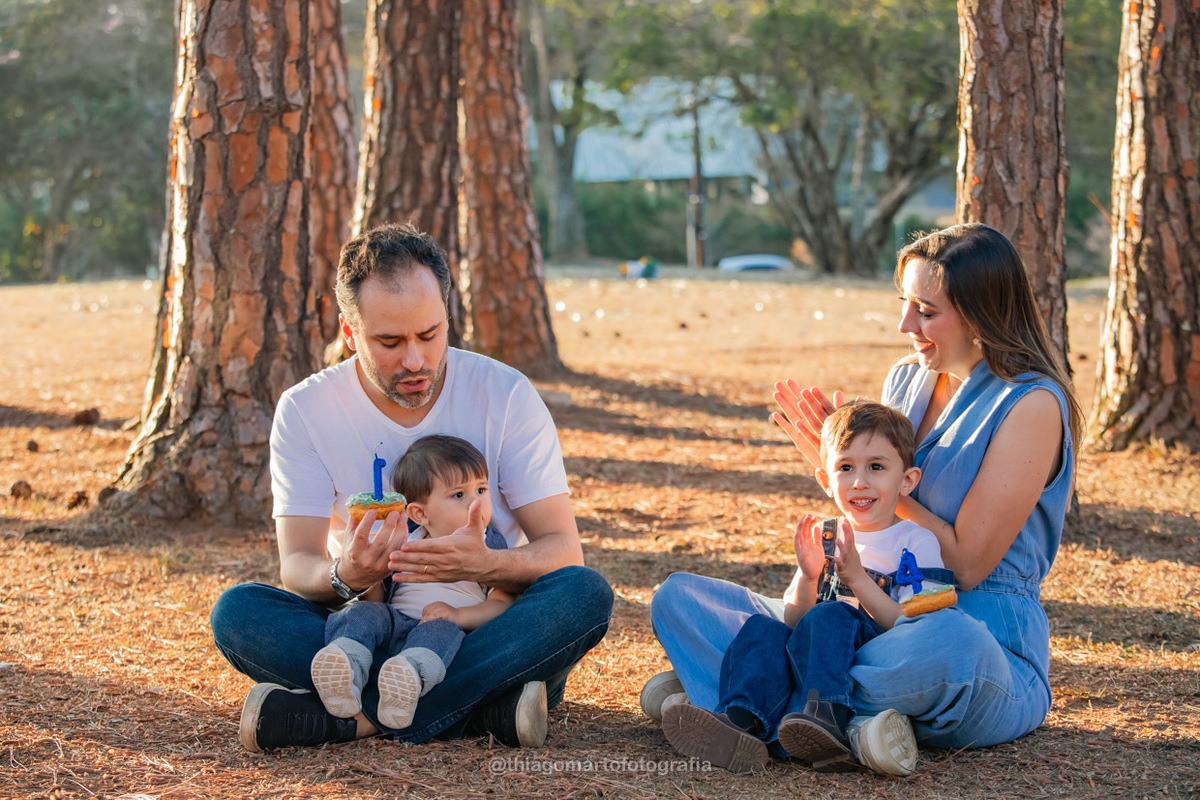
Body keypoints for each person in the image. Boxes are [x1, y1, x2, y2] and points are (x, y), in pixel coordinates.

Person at [644, 223, 1082, 775]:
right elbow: (875, 521)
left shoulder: (1031, 404)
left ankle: (745, 699)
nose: (906, 326)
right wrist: (847, 472)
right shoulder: (906, 379)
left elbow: (967, 565)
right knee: (678, 598)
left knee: (951, 643)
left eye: (927, 311)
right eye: (905, 304)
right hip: (858, 621)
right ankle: (832, 718)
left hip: (967, 639)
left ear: (981, 315)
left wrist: (874, 486)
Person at [210, 222, 614, 753]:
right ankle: (486, 708)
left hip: (485, 631)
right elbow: (298, 564)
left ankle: (357, 719)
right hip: (372, 627)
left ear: (447, 315)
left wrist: (485, 565)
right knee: (239, 613)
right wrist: (346, 574)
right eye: (389, 342)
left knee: (583, 594)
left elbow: (563, 550)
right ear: (350, 332)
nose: (415, 360)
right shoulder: (307, 410)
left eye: (429, 334)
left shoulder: (505, 394)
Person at [661, 401, 950, 775]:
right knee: (765, 629)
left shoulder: (915, 540)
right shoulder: (828, 535)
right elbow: (796, 622)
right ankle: (740, 722)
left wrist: (857, 579)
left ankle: (826, 717)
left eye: (876, 467)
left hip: (871, 658)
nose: (859, 482)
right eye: (845, 468)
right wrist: (809, 576)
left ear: (907, 480)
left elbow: (911, 626)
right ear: (827, 481)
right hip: (814, 656)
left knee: (830, 614)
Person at [312, 435, 515, 731]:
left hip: (443, 635)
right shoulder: (406, 540)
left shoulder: (489, 545)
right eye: (459, 495)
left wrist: (458, 615)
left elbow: (502, 603)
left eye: (481, 490)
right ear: (420, 514)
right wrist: (368, 579)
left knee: (440, 631)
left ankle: (407, 679)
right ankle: (346, 661)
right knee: (361, 613)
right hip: (393, 623)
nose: (477, 502)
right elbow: (379, 599)